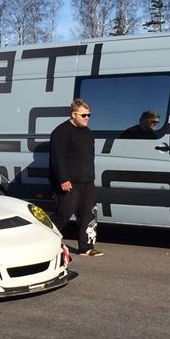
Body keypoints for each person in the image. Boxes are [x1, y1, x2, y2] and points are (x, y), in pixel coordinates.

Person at [49, 98, 102, 257]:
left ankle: (86, 247)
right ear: (74, 114)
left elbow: (89, 156)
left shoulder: (87, 132)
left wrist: (90, 176)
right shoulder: (61, 132)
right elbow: (57, 158)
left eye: (89, 115)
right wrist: (63, 179)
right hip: (69, 183)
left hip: (87, 181)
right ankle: (46, 241)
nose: (87, 118)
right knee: (63, 214)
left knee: (89, 214)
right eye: (84, 115)